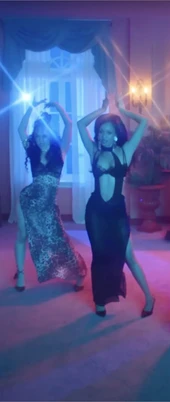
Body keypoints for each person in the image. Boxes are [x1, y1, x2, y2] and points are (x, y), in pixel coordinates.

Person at [77, 94, 155, 317]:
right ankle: (100, 300)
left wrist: (123, 110)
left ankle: (149, 297)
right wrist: (101, 110)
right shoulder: (94, 151)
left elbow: (143, 122)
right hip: (96, 212)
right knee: (99, 255)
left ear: (116, 134)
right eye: (101, 131)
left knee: (128, 256)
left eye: (109, 132)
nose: (104, 136)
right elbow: (81, 124)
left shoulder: (125, 151)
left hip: (117, 212)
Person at [14, 98, 87, 291]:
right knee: (23, 234)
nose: (40, 139)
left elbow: (69, 124)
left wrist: (57, 106)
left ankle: (80, 272)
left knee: (60, 241)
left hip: (48, 206)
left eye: (44, 135)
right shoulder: (32, 150)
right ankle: (20, 273)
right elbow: (21, 129)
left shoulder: (60, 150)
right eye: (37, 136)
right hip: (28, 200)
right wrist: (31, 108)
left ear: (50, 134)